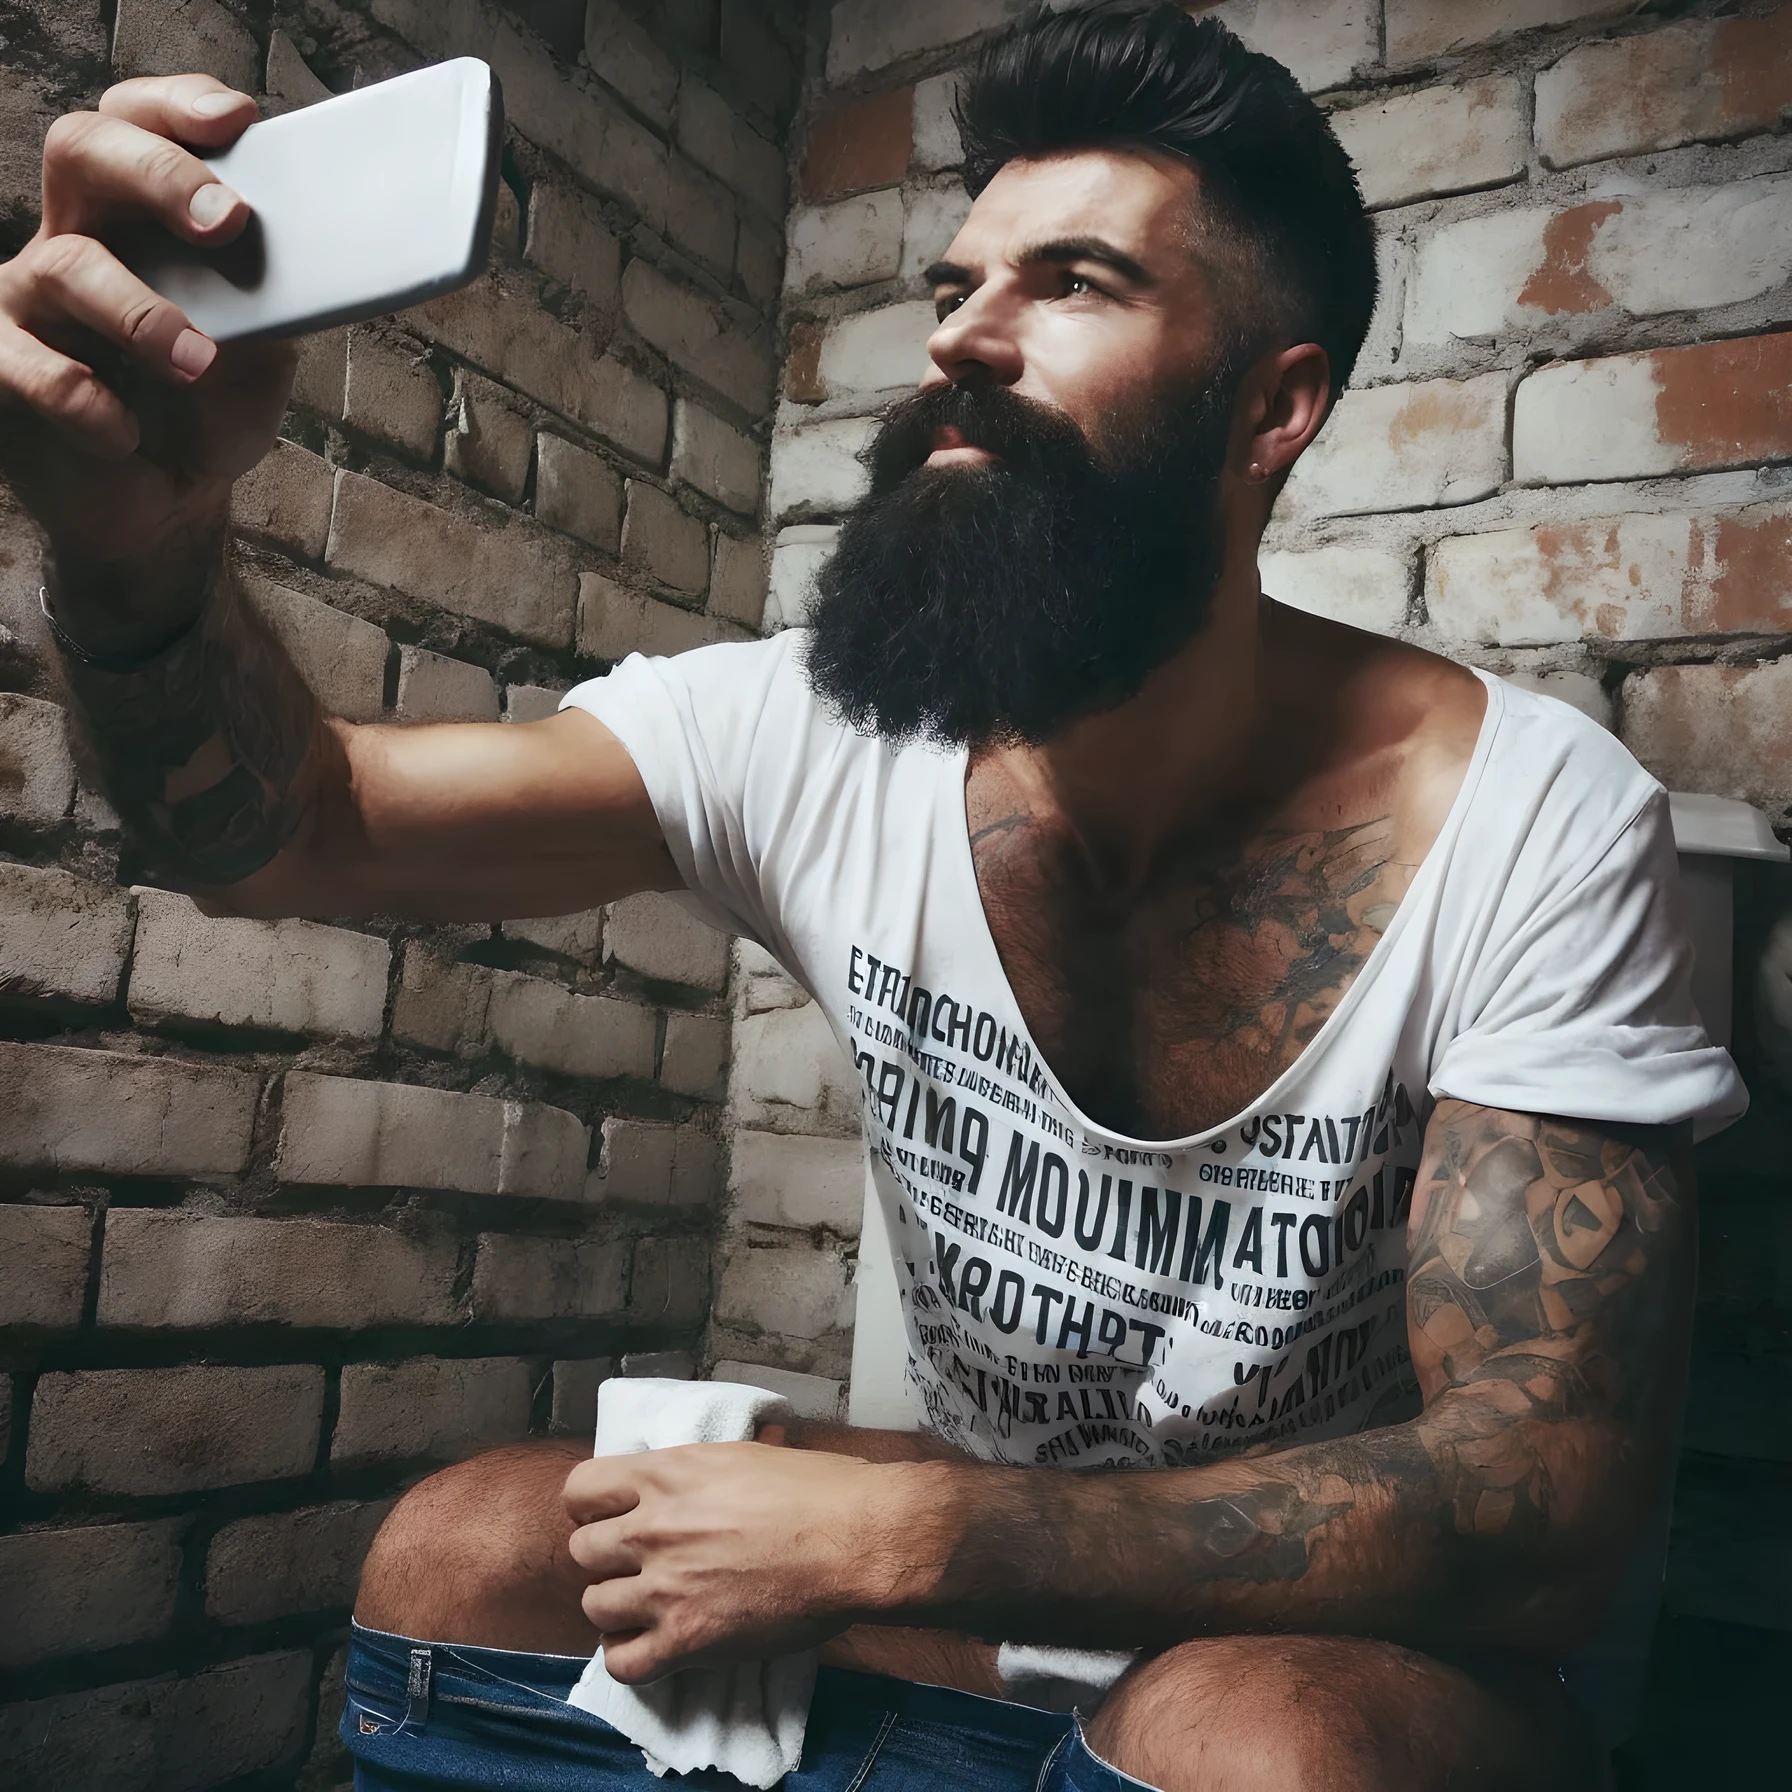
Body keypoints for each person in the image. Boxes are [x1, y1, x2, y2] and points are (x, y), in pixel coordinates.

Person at [0, 5, 1742, 1788]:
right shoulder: (806, 727)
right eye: (954, 283)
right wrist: (137, 547)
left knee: (1258, 1735)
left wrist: (899, 1534)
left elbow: (1541, 1510)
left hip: (1336, 1653)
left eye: (1071, 282)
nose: (960, 340)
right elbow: (293, 826)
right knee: (477, 1552)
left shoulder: (1533, 817)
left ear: (1273, 407)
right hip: (993, 1569)